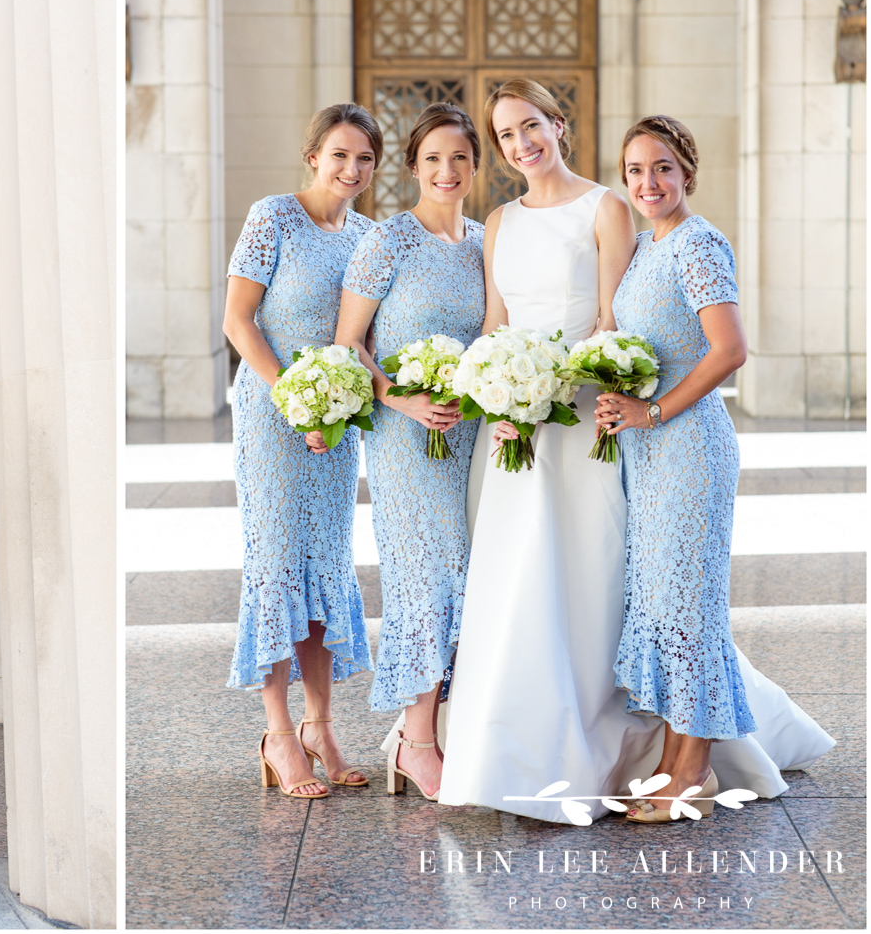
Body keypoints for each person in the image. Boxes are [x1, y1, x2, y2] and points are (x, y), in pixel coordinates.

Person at [600, 116, 834, 822]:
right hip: (649, 452)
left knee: (690, 609)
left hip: (689, 445)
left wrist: (655, 411)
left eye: (663, 167)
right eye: (636, 169)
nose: (649, 182)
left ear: (688, 174)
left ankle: (694, 769)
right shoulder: (643, 247)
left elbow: (728, 348)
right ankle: (672, 759)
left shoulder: (699, 243)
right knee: (665, 604)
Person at [432, 77, 648, 821]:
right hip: (514, 427)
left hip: (582, 417)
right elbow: (495, 322)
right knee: (515, 572)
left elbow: (618, 323)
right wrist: (498, 395)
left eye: (531, 125)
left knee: (585, 570)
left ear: (559, 123)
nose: (520, 143)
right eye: (505, 136)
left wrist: (551, 387)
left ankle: (591, 736)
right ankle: (506, 743)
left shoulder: (606, 207)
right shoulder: (498, 221)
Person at [223, 103, 380, 799]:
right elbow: (238, 319)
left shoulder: (371, 237)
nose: (351, 169)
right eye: (340, 154)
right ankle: (279, 734)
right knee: (279, 563)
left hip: (337, 424)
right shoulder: (273, 217)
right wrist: (296, 398)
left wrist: (349, 406)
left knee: (325, 565)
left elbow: (365, 339)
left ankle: (321, 724)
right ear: (313, 154)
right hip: (272, 409)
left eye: (365, 159)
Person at [331, 103, 485, 800]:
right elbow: (348, 343)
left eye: (459, 158)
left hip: (470, 438)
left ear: (477, 166)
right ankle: (418, 743)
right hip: (404, 436)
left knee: (466, 579)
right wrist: (401, 399)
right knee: (428, 573)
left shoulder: (486, 242)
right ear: (413, 168)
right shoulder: (388, 239)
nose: (446, 171)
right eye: (432, 160)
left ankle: (423, 730)